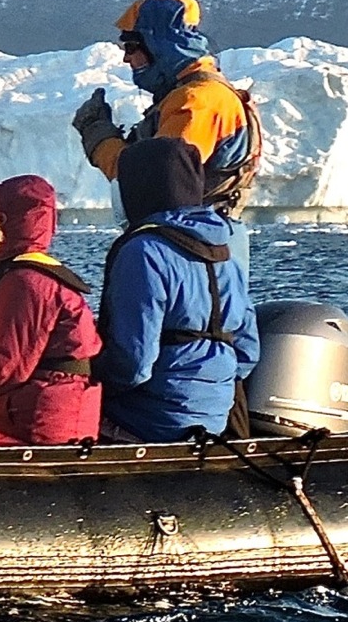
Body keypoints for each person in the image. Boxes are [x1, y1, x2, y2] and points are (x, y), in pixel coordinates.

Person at [94, 135, 257, 442]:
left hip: (149, 418)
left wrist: (89, 377)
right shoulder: (225, 249)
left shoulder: (144, 251)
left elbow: (134, 364)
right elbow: (247, 351)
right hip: (215, 419)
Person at [71, 0, 263, 219]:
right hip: (206, 239)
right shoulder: (199, 95)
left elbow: (154, 183)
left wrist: (99, 136)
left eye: (131, 46)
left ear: (159, 45)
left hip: (189, 242)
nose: (126, 58)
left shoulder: (196, 101)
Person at [0, 174, 101, 447]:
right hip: (39, 411)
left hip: (35, 423)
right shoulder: (31, 274)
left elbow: (3, 368)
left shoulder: (25, 282)